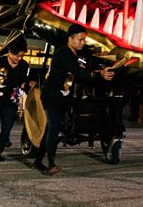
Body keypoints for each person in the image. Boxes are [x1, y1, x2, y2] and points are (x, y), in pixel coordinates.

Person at [32, 24, 115, 175]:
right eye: (80, 39)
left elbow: (86, 67)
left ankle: (37, 161)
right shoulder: (63, 54)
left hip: (62, 98)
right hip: (51, 97)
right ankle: (51, 163)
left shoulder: (75, 54)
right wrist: (99, 74)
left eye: (84, 40)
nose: (83, 42)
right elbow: (79, 73)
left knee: (50, 130)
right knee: (54, 128)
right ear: (70, 39)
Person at [0, 36, 34, 161]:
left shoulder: (23, 65)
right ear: (10, 52)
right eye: (17, 56)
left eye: (22, 56)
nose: (19, 58)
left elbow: (22, 81)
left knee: (7, 127)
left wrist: (28, 84)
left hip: (10, 101)